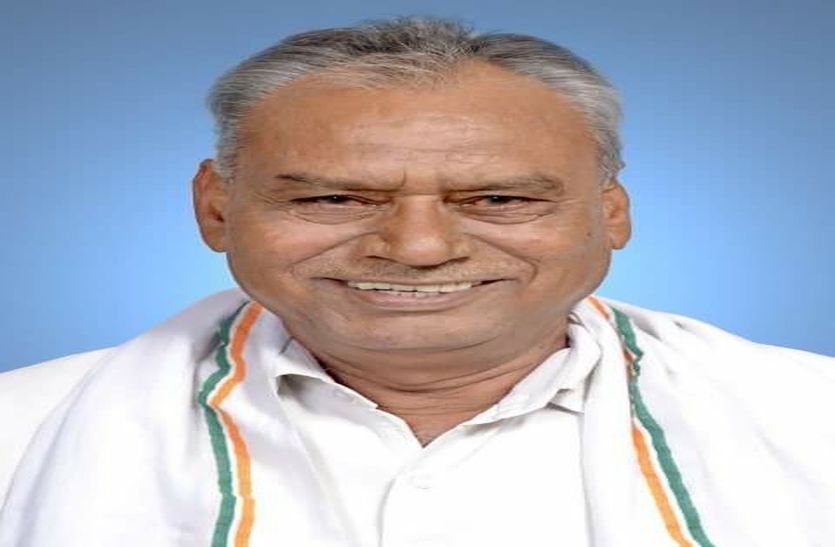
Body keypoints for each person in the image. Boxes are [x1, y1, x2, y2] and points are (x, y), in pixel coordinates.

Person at [1, 16, 832, 547]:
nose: (419, 247)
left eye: (498, 199)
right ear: (216, 208)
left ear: (610, 214)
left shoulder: (812, 422)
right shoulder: (20, 430)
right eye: (333, 199)